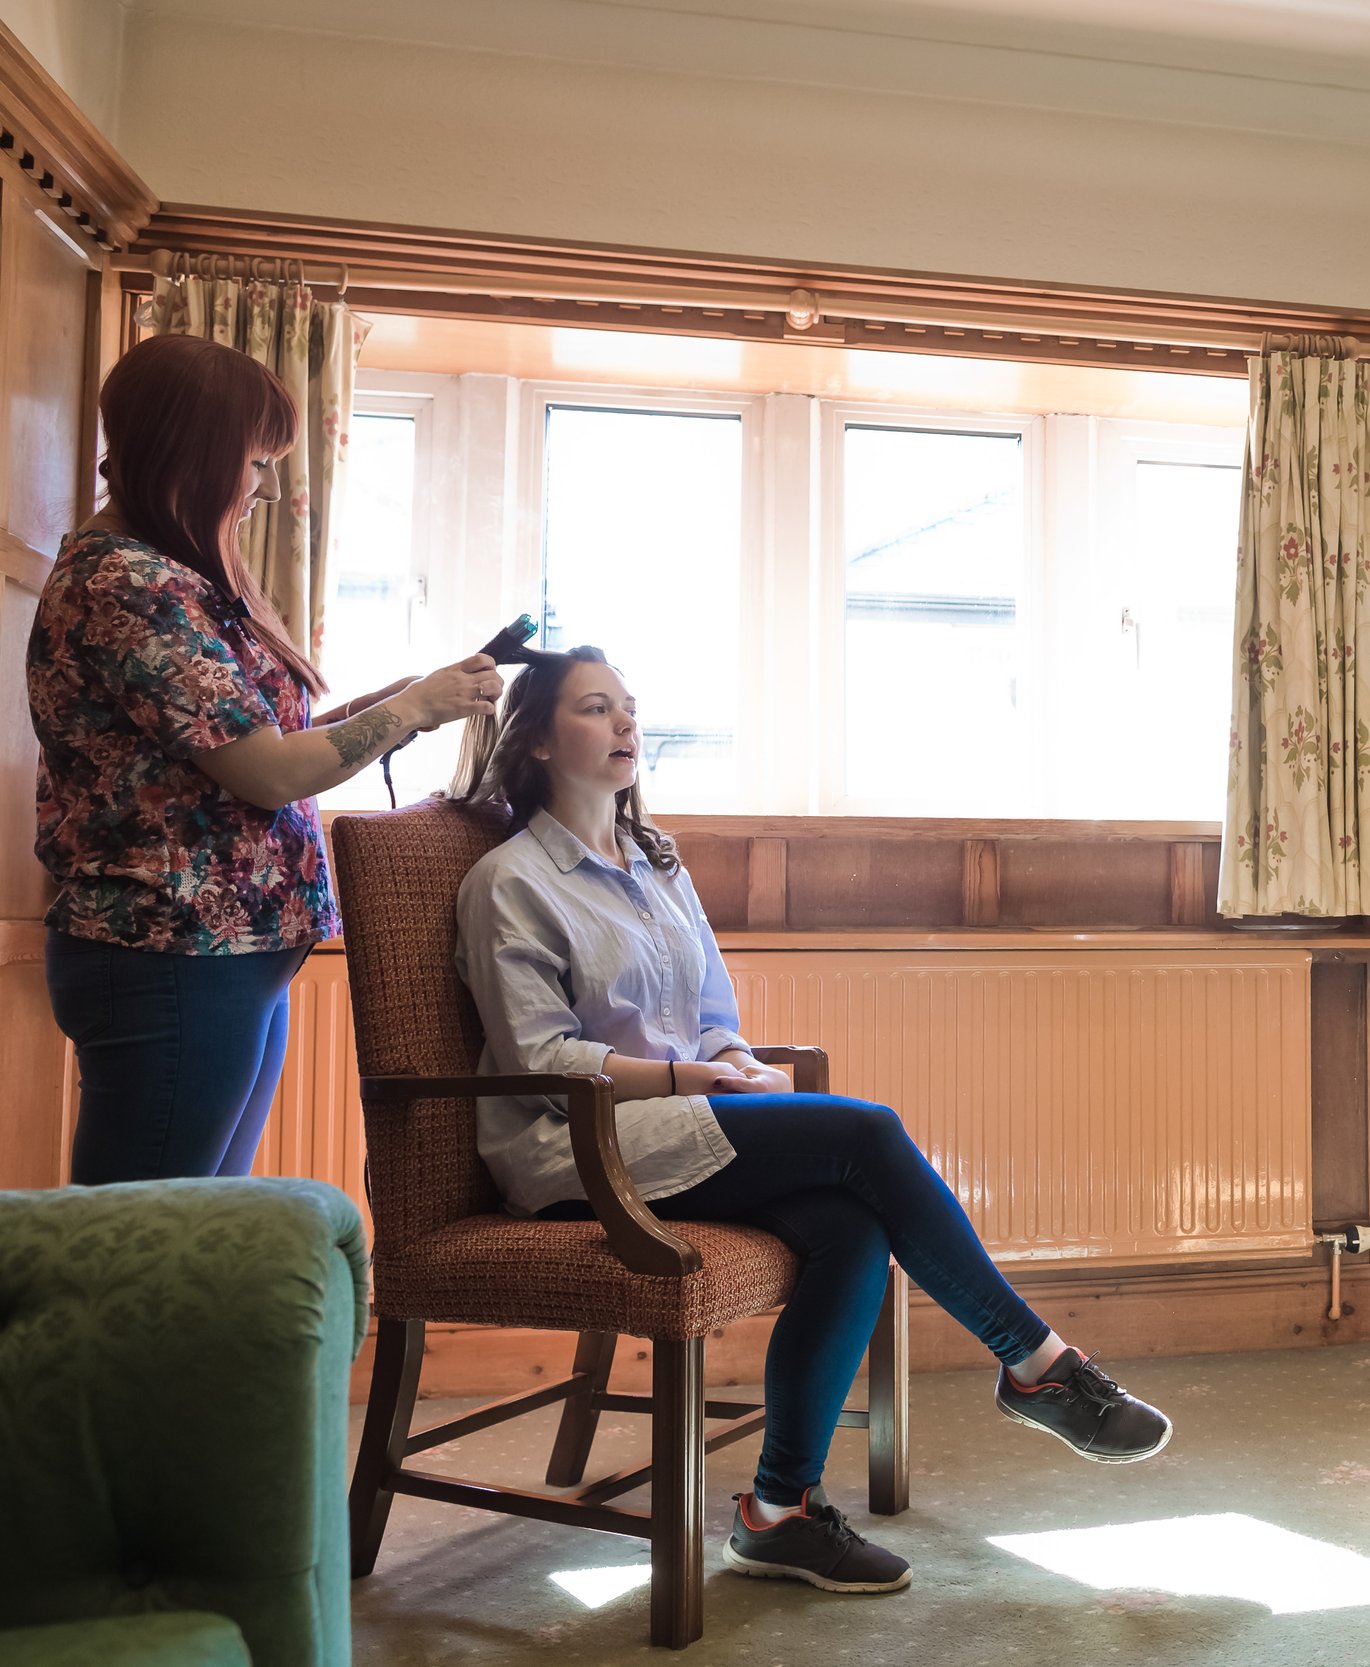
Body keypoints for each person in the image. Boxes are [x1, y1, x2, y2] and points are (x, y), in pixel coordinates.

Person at [452, 646, 1173, 1595]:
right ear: (540, 739)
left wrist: (734, 1060)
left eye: (629, 707)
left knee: (853, 1227)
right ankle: (1036, 1363)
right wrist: (690, 1073)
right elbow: (540, 1065)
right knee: (865, 1132)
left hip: (684, 1122)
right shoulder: (510, 882)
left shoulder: (658, 864)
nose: (627, 724)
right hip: (578, 1150)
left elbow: (713, 1010)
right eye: (596, 709)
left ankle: (777, 1512)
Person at [29, 333, 504, 1184]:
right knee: (141, 1240)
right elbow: (270, 774)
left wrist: (392, 707)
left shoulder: (174, 576)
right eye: (255, 461)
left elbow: (252, 745)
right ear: (194, 454)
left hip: (224, 955)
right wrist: (413, 706)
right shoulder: (128, 584)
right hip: (170, 956)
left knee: (201, 1230)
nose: (267, 487)